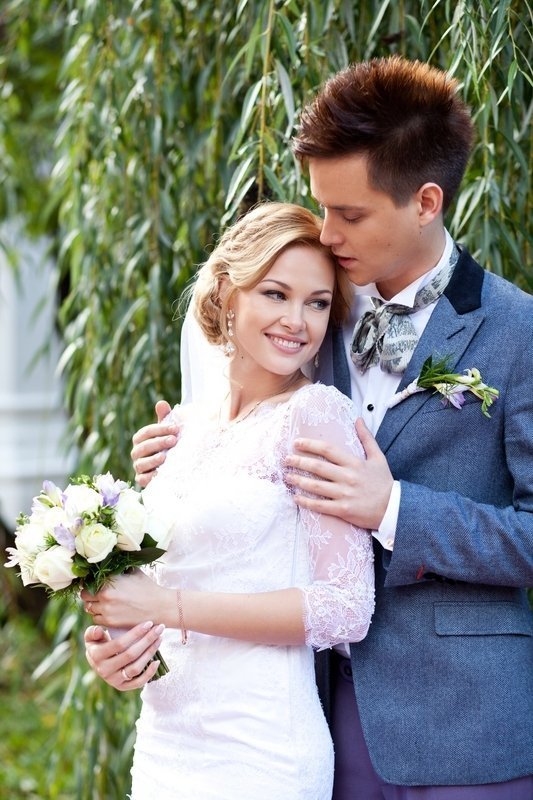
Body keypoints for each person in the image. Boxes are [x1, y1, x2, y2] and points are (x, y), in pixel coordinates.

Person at [92, 56, 533, 798]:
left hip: (468, 724)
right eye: (321, 207)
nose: (327, 234)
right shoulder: (308, 314)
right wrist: (186, 459)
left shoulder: (516, 331)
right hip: (313, 713)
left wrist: (394, 509)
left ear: (425, 203)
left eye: (349, 214)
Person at [82, 201, 375, 800]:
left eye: (318, 303)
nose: (297, 320)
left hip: (260, 750)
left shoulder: (313, 415)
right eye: (275, 294)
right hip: (164, 743)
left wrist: (168, 606)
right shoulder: (181, 429)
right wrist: (118, 649)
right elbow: (163, 582)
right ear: (226, 293)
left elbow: (345, 607)